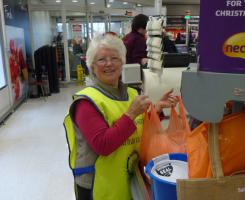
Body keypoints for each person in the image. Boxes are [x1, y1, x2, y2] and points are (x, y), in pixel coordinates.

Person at [64, 34, 177, 200]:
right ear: (92, 66)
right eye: (101, 59)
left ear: (122, 62)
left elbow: (139, 127)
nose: (109, 64)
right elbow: (103, 145)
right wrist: (131, 114)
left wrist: (156, 111)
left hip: (128, 178)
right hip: (98, 185)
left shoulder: (132, 93)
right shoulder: (86, 103)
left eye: (115, 58)